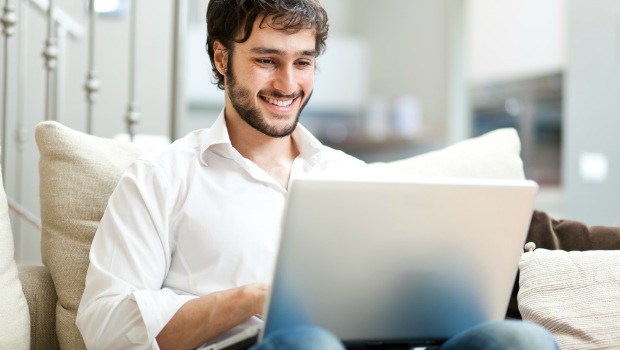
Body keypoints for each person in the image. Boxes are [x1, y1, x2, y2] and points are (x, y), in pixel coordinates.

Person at [76, 0, 559, 349]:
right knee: (308, 342)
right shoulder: (160, 179)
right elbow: (104, 326)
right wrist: (251, 298)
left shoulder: (352, 176)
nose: (288, 84)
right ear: (222, 59)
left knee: (519, 340)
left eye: (302, 62)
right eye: (267, 61)